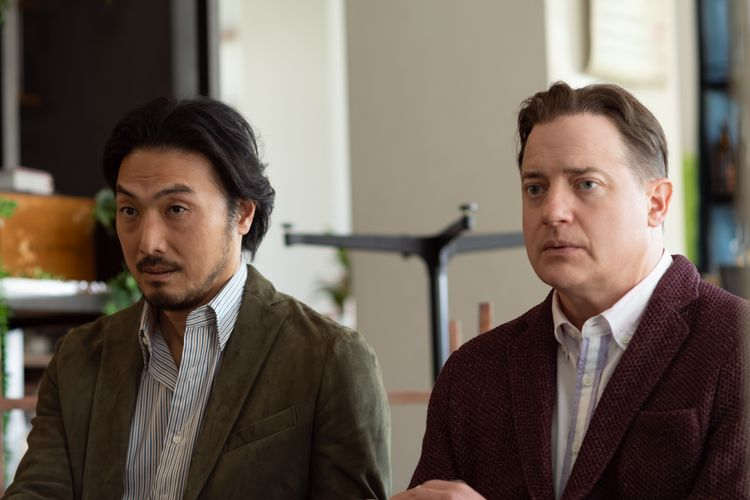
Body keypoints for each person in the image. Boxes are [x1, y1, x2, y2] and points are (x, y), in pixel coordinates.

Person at [5, 97, 391, 499]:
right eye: (130, 211)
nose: (148, 243)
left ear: (243, 214)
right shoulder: (80, 359)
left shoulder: (329, 360)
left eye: (176, 209)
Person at [393, 82, 749, 499]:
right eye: (535, 188)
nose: (552, 212)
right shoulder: (472, 373)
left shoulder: (737, 346)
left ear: (656, 203)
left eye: (585, 184)